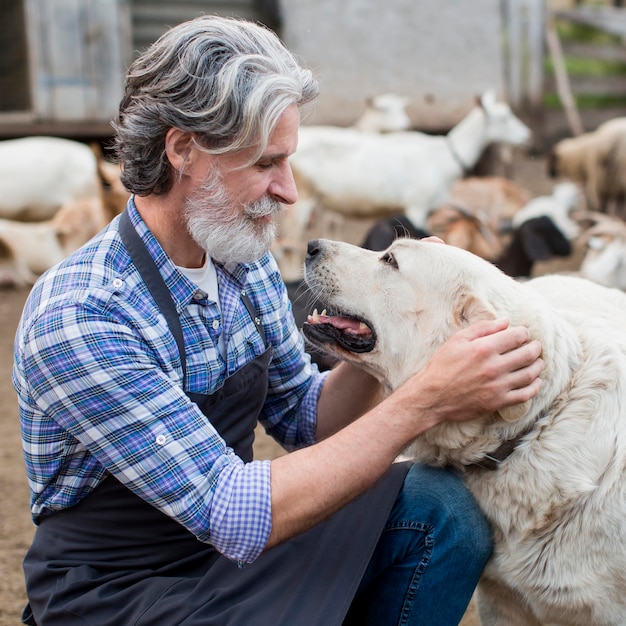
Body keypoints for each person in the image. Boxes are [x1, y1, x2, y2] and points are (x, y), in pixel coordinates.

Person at [12, 15, 544, 626]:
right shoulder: (83, 316)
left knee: (440, 509)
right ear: (183, 148)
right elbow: (229, 510)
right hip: (119, 594)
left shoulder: (243, 261)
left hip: (224, 561)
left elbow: (308, 421)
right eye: (267, 163)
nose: (289, 191)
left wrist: (386, 321)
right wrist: (424, 400)